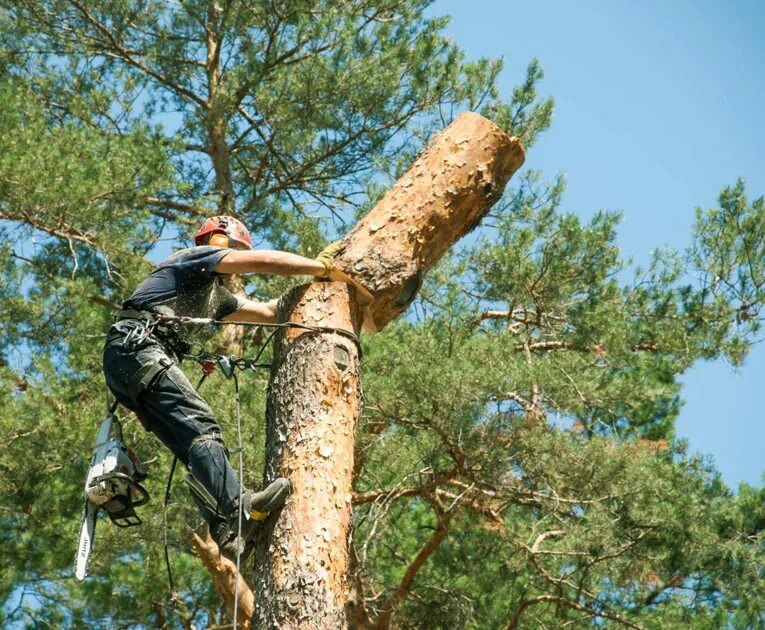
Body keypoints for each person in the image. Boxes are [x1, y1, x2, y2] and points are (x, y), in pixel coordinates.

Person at [102, 215, 351, 561]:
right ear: (214, 242)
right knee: (202, 426)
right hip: (137, 349)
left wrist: (323, 295)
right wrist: (317, 267)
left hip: (128, 363)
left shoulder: (215, 297)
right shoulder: (192, 258)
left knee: (193, 445)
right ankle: (239, 506)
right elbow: (265, 261)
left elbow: (268, 311)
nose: (233, 257)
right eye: (230, 248)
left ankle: (225, 530)